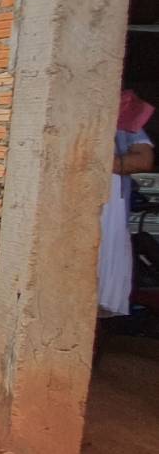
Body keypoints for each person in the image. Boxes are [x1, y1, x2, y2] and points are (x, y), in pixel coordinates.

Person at [102, 89, 155, 317]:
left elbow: (144, 160)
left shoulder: (122, 108)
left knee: (98, 289)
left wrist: (94, 162)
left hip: (107, 212)